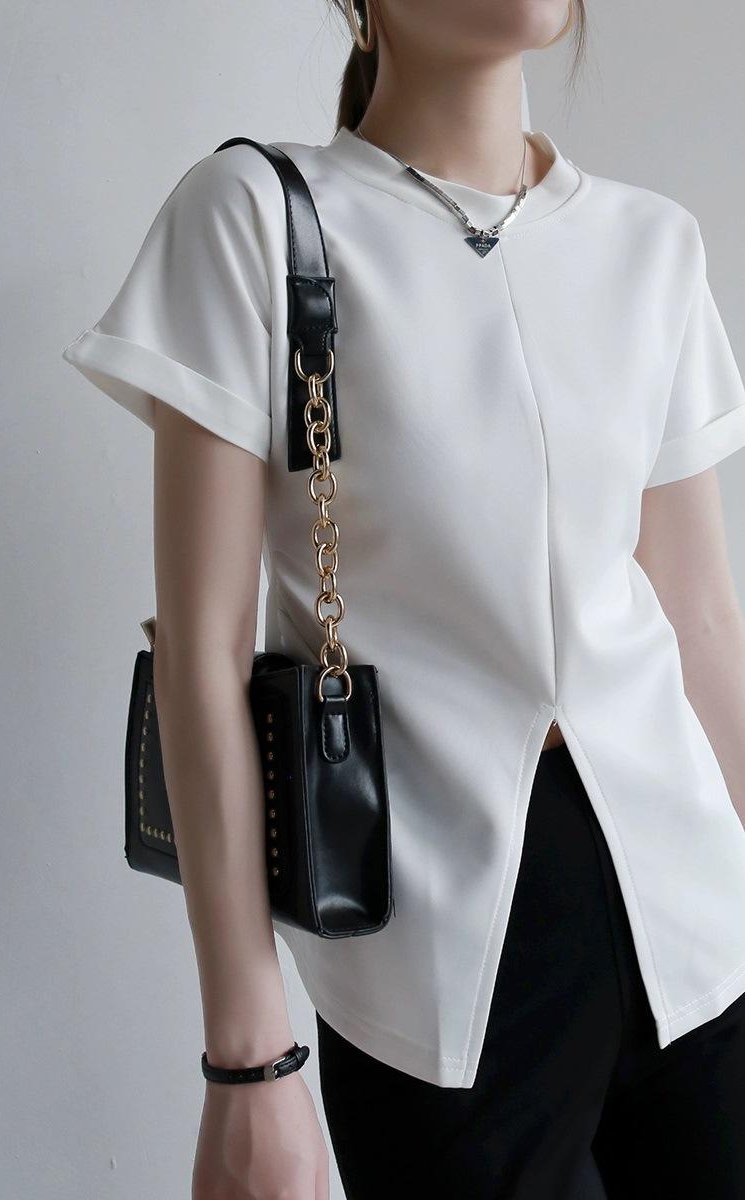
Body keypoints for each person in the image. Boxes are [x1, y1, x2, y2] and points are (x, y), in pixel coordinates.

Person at [61, 1, 745, 1196]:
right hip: (437, 968)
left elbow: (701, 626)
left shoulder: (651, 244)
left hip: (700, 925)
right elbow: (204, 657)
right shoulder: (256, 218)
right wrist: (249, 1062)